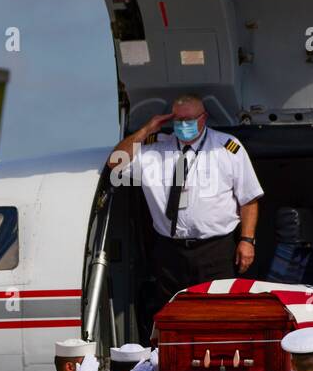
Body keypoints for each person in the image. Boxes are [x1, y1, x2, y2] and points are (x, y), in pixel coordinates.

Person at [107, 93, 263, 311]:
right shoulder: (154, 148)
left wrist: (247, 240)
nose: (183, 125)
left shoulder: (227, 148)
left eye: (189, 120)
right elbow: (114, 163)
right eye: (178, 120)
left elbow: (249, 198)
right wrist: (145, 130)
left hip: (215, 250)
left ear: (203, 117)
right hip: (171, 252)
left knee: (220, 311)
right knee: (173, 313)